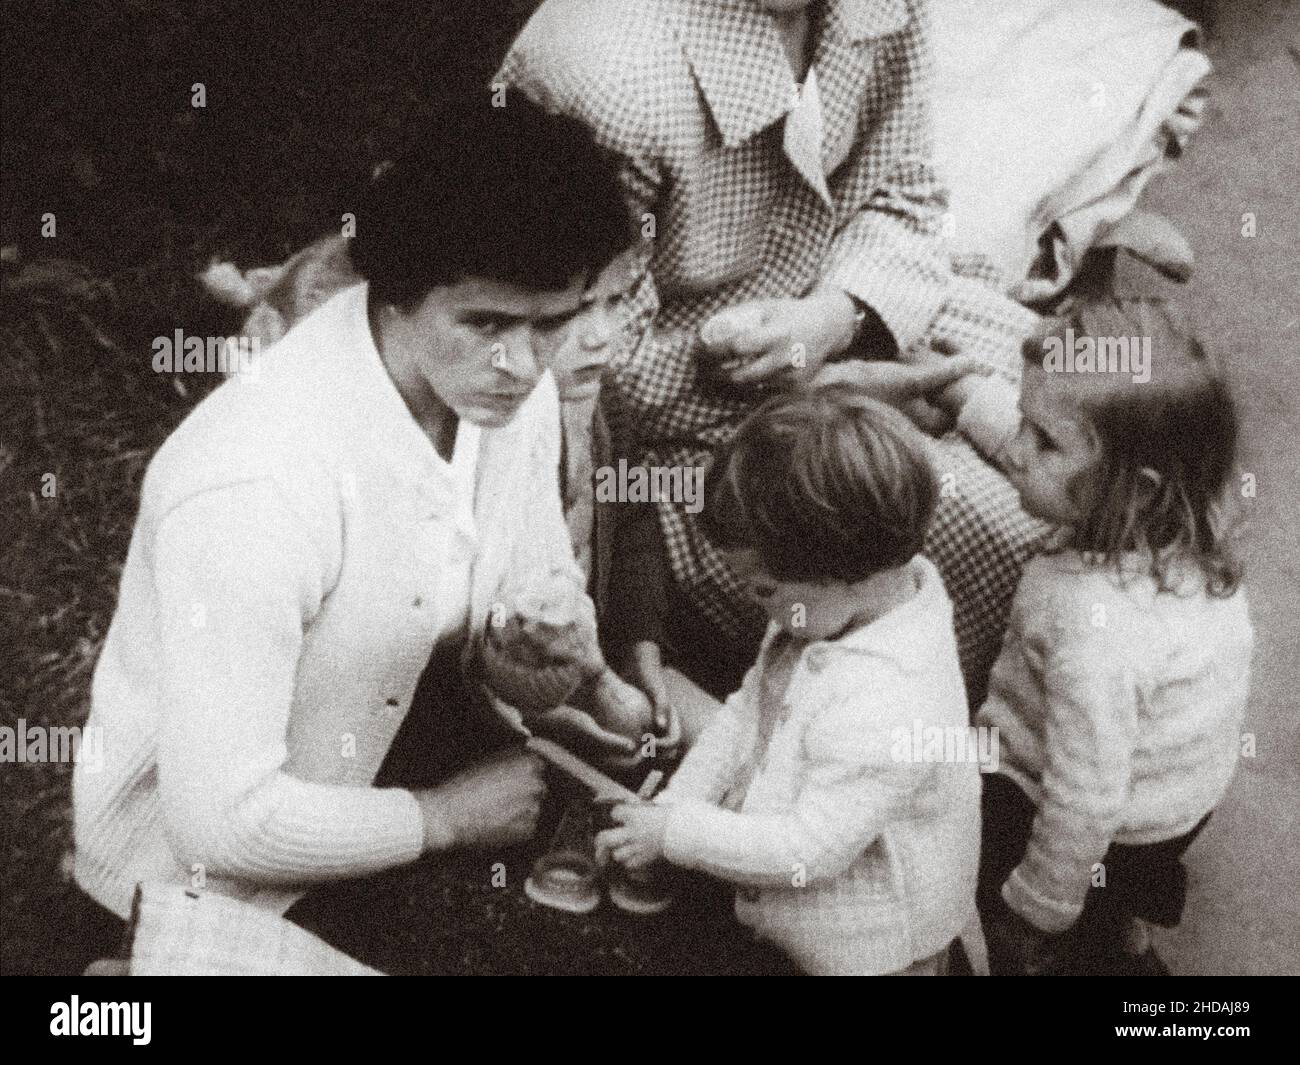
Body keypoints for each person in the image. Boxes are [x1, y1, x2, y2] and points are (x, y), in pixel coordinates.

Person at [71, 93, 647, 966]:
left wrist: (536, 663)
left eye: (555, 321)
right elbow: (222, 821)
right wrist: (447, 816)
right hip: (199, 875)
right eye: (488, 322)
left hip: (377, 767)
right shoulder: (253, 480)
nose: (526, 364)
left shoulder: (497, 389)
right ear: (397, 288)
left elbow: (512, 628)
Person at [498, 0, 1046, 700]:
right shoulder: (611, 72)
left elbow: (906, 191)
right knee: (987, 527)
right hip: (675, 440)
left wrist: (837, 317)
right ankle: (927, 751)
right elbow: (579, 369)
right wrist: (810, 381)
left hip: (843, 309)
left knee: (1087, 436)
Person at [596, 386, 980, 975]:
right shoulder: (820, 614)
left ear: (844, 570)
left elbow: (810, 849)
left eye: (764, 590)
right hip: (786, 916)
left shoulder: (891, 704)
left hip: (868, 949)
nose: (758, 607)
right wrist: (669, 810)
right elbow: (743, 718)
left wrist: (677, 834)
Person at [974, 300, 1253, 975]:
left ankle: (1089, 943)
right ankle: (1124, 914)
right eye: (1020, 421)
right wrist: (958, 396)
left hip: (1099, 819)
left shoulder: (1092, 626)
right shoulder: (1181, 531)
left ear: (1135, 489)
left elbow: (1083, 798)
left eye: (1041, 440)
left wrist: (1032, 908)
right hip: (1179, 796)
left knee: (984, 846)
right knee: (1122, 867)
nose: (1014, 450)